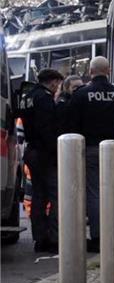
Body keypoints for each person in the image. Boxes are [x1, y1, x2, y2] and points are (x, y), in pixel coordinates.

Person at [62, 57, 114, 252]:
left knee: (94, 194)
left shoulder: (81, 94)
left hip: (91, 149)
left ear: (90, 72)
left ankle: (99, 237)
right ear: (108, 71)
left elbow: (71, 124)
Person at [21, 68, 64, 253]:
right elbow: (47, 128)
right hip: (45, 153)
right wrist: (56, 151)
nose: (58, 87)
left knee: (38, 196)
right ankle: (54, 237)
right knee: (55, 194)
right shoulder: (44, 99)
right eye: (58, 83)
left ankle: (40, 238)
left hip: (32, 151)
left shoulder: (27, 97)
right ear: (53, 82)